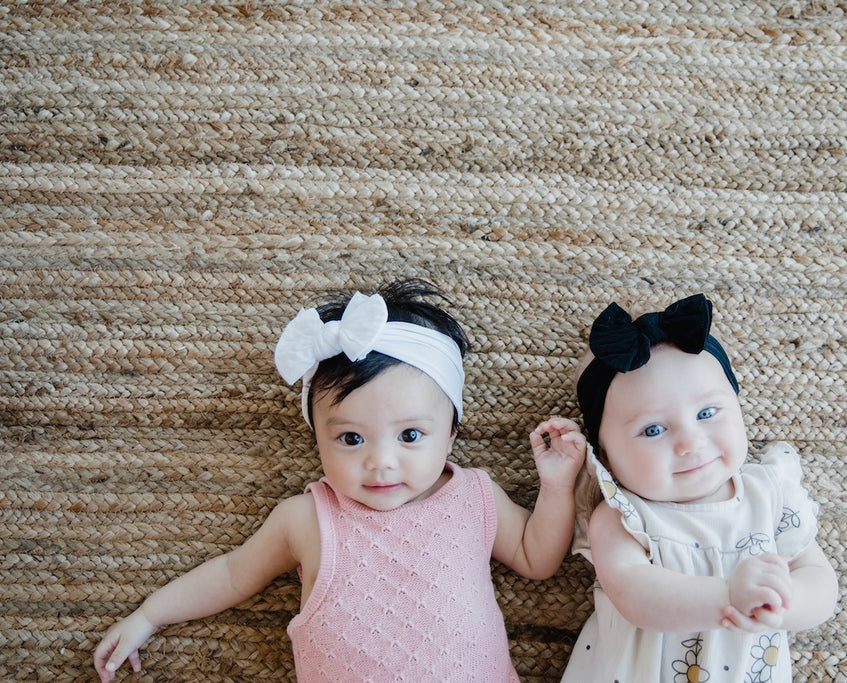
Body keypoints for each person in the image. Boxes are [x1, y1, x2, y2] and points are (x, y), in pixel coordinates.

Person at [93, 279, 585, 683]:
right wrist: (149, 615)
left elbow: (536, 558)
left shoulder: (473, 496)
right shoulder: (305, 519)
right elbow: (231, 574)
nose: (381, 463)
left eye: (410, 435)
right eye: (351, 439)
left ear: (451, 432)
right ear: (317, 439)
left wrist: (557, 486)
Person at [558, 293, 838, 682]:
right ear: (605, 459)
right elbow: (634, 593)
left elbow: (819, 577)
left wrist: (783, 603)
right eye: (653, 430)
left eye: (707, 413)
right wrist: (727, 597)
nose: (690, 442)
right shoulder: (624, 516)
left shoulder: (769, 495)